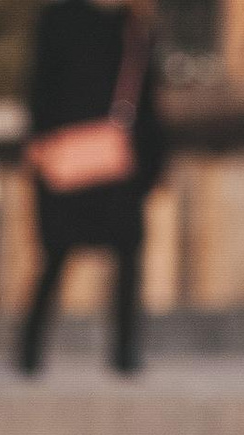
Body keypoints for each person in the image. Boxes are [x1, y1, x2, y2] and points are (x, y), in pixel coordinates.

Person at [18, 0, 165, 378]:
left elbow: (145, 101)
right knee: (60, 258)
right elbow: (41, 86)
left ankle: (113, 349)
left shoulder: (131, 25)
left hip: (102, 163)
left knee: (108, 258)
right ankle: (43, 349)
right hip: (79, 161)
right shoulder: (114, 24)